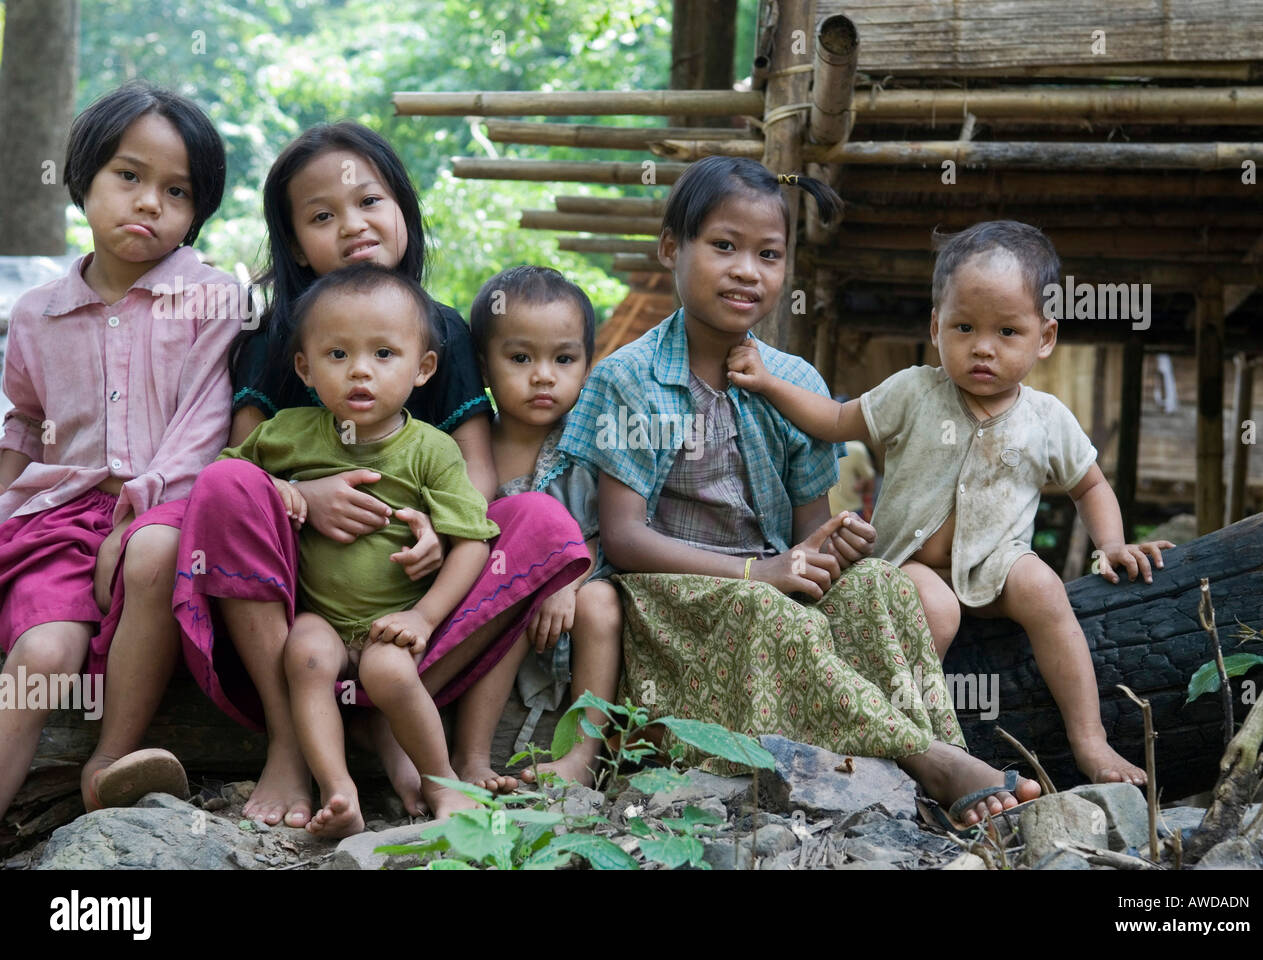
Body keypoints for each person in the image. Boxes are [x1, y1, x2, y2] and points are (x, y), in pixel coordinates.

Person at [81, 122, 588, 825]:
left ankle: (389, 709)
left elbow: (477, 470)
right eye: (322, 215)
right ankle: (290, 738)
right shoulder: (275, 332)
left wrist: (442, 530)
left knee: (537, 519)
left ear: (404, 210)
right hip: (297, 591)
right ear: (293, 242)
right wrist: (303, 497)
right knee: (229, 490)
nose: (352, 226)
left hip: (406, 588)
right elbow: (239, 463)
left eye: (369, 202)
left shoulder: (441, 328)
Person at [560, 157, 1040, 825]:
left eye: (769, 255)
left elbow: (811, 534)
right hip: (673, 611)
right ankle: (929, 758)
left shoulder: (794, 380)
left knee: (884, 588)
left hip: (774, 596)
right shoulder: (630, 378)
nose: (747, 270)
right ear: (672, 246)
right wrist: (759, 571)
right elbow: (624, 538)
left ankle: (925, 758)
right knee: (767, 610)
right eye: (723, 246)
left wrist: (830, 547)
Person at [728, 219, 1173, 785]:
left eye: (1007, 332)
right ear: (936, 326)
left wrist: (1110, 544)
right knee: (934, 608)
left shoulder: (1046, 418)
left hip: (996, 564)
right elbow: (837, 420)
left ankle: (1090, 740)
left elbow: (1090, 484)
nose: (982, 347)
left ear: (1045, 337)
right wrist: (769, 383)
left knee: (1044, 587)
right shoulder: (913, 391)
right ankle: (913, 736)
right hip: (908, 564)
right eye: (964, 327)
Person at [0, 82, 237, 818]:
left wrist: (143, 510)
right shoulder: (36, 312)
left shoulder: (214, 298)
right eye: (127, 176)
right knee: (41, 658)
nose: (149, 203)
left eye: (177, 191)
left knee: (153, 555)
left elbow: (206, 422)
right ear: (83, 178)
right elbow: (23, 425)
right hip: (60, 519)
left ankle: (108, 762)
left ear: (197, 212)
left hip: (170, 510)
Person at [221, 264, 500, 832]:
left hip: (390, 622)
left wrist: (423, 616)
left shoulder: (432, 449)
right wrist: (287, 489)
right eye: (338, 355)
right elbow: (229, 481)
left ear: (423, 369)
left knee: (392, 675)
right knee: (305, 657)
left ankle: (442, 781)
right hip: (318, 615)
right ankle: (338, 791)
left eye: (383, 354)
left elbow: (473, 540)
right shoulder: (289, 432)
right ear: (304, 368)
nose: (360, 372)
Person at [469, 266, 622, 788]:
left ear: (586, 364)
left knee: (601, 604)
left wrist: (567, 584)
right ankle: (471, 755)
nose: (543, 375)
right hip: (494, 607)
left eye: (564, 359)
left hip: (573, 599)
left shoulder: (588, 450)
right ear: (483, 366)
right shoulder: (470, 448)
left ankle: (582, 756)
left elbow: (606, 533)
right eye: (520, 358)